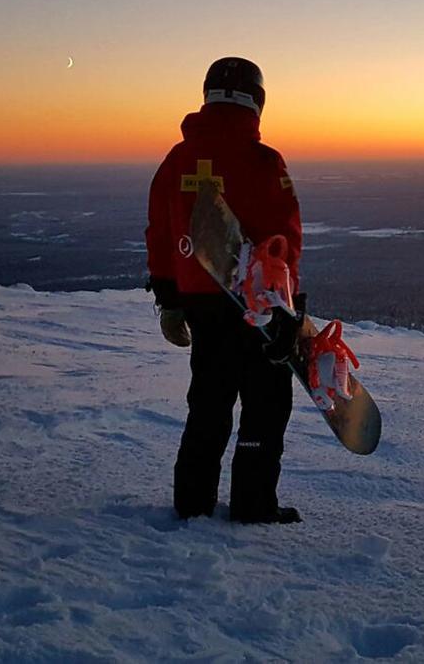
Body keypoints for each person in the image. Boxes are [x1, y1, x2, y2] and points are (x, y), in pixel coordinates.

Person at [145, 57, 304, 524]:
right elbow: (285, 237)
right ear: (257, 101)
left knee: (209, 401)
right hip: (259, 306)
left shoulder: (177, 160)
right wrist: (289, 306)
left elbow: (159, 233)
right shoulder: (264, 161)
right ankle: (253, 506)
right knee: (265, 404)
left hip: (200, 301)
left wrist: (170, 301)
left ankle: (192, 503)